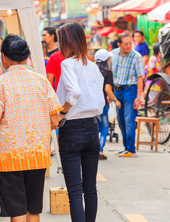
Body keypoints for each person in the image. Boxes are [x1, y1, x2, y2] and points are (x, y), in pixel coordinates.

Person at [0, 35, 61, 222]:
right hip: (37, 153)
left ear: (5, 58)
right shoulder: (41, 81)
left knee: (16, 210)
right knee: (33, 209)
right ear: (27, 56)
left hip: (9, 155)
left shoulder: (0, 83)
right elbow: (55, 120)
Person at [56, 23, 104, 222]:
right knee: (90, 189)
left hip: (72, 128)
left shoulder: (67, 64)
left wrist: (62, 112)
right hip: (92, 128)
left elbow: (74, 92)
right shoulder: (92, 66)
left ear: (67, 42)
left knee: (75, 191)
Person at [110, 33, 145, 158]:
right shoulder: (113, 54)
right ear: (119, 44)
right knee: (120, 120)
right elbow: (110, 73)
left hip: (131, 90)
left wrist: (139, 97)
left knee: (129, 120)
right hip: (117, 91)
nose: (129, 46)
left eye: (130, 43)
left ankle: (131, 149)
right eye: (126, 44)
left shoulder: (136, 56)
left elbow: (140, 77)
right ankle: (126, 148)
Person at [95, 49, 121, 160]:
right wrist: (115, 100)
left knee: (95, 127)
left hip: (92, 103)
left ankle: (93, 149)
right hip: (102, 104)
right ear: (106, 60)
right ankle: (99, 150)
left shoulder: (92, 70)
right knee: (105, 127)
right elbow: (107, 89)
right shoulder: (108, 72)